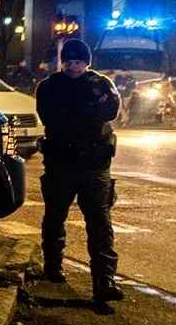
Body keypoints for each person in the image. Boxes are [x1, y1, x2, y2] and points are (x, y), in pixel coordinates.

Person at [35, 38, 124, 304]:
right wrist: (85, 114)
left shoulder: (100, 84)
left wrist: (77, 115)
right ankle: (53, 264)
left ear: (87, 63)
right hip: (61, 163)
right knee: (55, 217)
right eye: (69, 62)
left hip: (95, 166)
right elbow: (51, 117)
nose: (73, 67)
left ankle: (104, 279)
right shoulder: (49, 86)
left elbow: (110, 110)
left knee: (100, 223)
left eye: (78, 62)